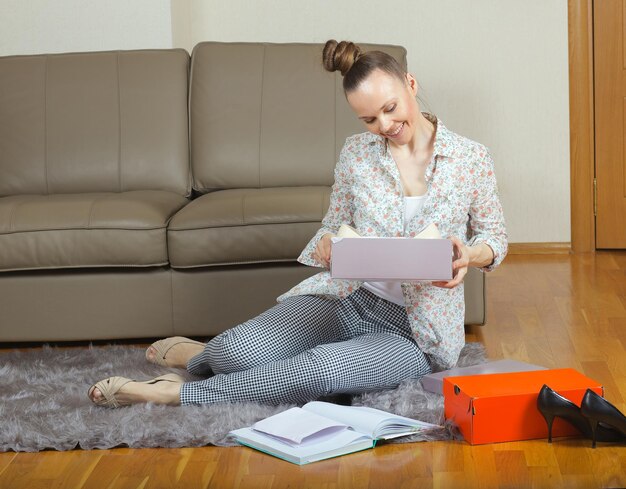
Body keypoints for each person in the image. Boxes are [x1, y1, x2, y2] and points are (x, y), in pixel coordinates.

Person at [88, 40, 507, 408]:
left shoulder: (471, 159)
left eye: (390, 108)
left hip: (416, 333)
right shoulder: (356, 154)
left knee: (319, 372)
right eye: (368, 119)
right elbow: (334, 223)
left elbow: (495, 238)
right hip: (348, 299)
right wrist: (327, 242)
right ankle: (202, 358)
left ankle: (175, 392)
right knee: (235, 352)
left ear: (410, 85)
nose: (384, 126)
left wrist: (470, 254)